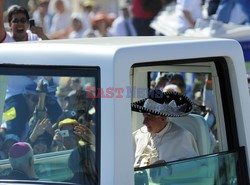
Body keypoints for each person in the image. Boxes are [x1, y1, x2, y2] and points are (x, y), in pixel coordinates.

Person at [132, 90, 199, 167]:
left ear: (163, 118)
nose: (144, 122)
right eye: (144, 116)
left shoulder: (182, 136)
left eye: (149, 118)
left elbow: (194, 168)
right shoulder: (138, 135)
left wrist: (167, 169)